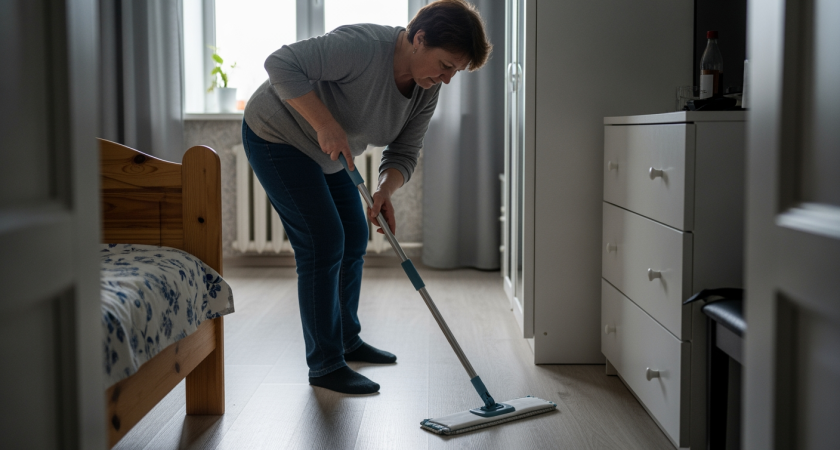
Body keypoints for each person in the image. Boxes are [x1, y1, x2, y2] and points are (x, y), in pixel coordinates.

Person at [241, 0, 491, 395]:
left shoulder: (425, 89)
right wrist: (324, 123)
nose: (446, 79)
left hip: (328, 153)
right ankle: (325, 364)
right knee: (323, 242)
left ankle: (346, 339)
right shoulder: (363, 46)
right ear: (419, 39)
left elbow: (405, 151)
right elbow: (280, 64)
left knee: (355, 235)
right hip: (278, 135)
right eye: (445, 65)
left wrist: (384, 190)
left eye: (454, 73)